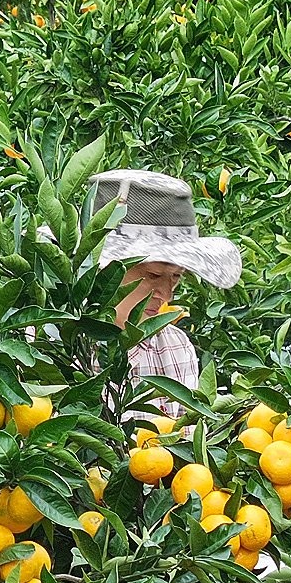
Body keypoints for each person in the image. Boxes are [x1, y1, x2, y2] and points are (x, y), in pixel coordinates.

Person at [90, 169, 242, 418]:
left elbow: (187, 447)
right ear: (103, 268)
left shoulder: (175, 347)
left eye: (176, 277)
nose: (166, 295)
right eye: (153, 275)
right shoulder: (48, 344)